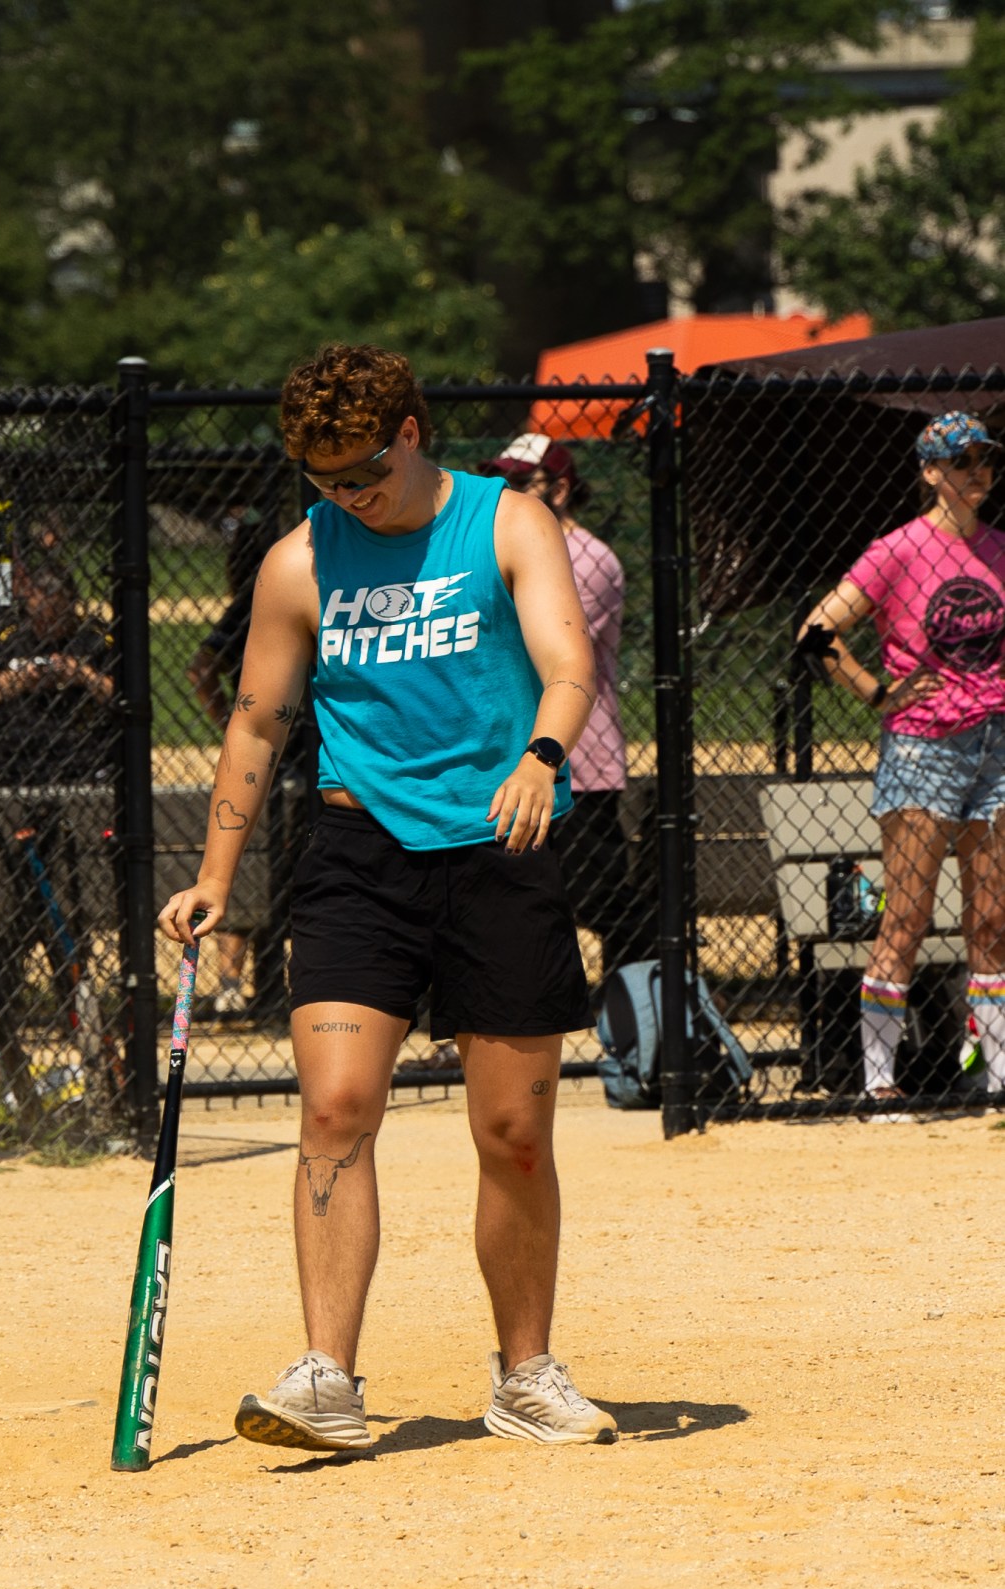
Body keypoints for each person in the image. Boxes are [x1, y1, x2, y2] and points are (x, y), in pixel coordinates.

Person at [159, 342, 616, 1451]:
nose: (345, 494)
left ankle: (523, 1374)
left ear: (410, 431)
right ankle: (326, 1377)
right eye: (320, 478)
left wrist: (540, 758)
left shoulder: (506, 522)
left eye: (360, 470)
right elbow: (258, 721)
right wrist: (214, 878)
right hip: (355, 855)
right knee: (334, 1109)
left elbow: (567, 664)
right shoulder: (298, 562)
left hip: (497, 845)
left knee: (511, 1131)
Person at [797, 409, 1005, 1107]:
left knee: (992, 918)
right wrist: (874, 691)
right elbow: (818, 627)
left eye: (985, 460)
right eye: (962, 460)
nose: (978, 472)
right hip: (923, 747)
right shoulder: (898, 551)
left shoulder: (1000, 548)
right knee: (907, 916)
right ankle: (879, 1081)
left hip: (996, 744)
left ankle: (998, 1075)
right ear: (930, 471)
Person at [481, 432, 652, 981]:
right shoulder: (504, 544)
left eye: (519, 482)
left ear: (558, 489)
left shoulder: (590, 556)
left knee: (596, 896)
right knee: (508, 895)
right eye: (498, 481)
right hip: (513, 754)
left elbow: (540, 649)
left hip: (580, 761)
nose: (503, 492)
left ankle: (641, 1002)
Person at [187, 503, 268, 1017]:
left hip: (267, 749)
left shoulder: (248, 603)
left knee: (248, 855)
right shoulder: (262, 601)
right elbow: (201, 669)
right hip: (306, 748)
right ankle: (253, 983)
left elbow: (200, 673)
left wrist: (230, 724)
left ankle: (232, 983)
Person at [0, 557, 115, 790]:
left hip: (80, 751)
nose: (48, 628)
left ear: (71, 605)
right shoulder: (11, 635)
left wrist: (83, 676)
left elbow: (120, 694)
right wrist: (18, 680)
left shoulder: (94, 637)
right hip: (16, 751)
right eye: (40, 619)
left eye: (56, 618)